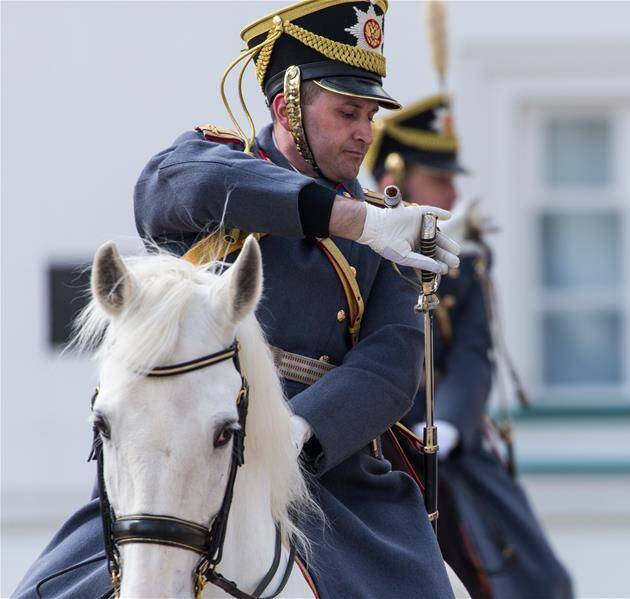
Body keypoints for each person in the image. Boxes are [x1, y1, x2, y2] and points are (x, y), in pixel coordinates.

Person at [13, 2, 462, 597]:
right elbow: (169, 192)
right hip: (183, 447)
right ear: (287, 107)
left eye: (370, 115)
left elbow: (391, 365)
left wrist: (298, 432)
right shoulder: (211, 165)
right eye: (347, 112)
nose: (364, 132)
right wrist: (351, 220)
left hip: (321, 466)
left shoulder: (391, 231)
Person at [369, 93, 574, 599]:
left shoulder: (466, 260)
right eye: (440, 180)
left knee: (538, 578)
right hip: (375, 435)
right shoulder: (358, 239)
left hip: (449, 437)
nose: (454, 196)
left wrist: (451, 425)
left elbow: (472, 353)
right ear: (396, 175)